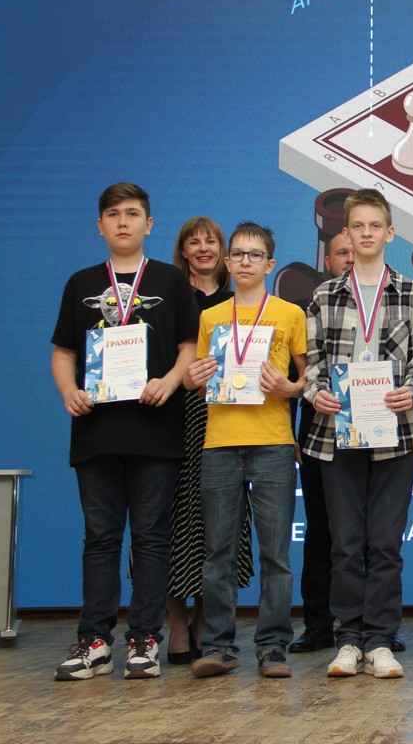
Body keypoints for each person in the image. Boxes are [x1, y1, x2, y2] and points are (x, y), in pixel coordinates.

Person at [51, 182, 198, 680]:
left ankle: (144, 640)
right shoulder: (81, 283)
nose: (122, 222)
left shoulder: (170, 281)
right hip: (96, 432)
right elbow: (64, 352)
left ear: (148, 224)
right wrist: (68, 390)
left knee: (152, 539)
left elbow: (189, 347)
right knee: (100, 538)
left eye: (132, 213)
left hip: (156, 430)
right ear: (100, 226)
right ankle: (94, 641)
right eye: (113, 214)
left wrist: (170, 381)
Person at [302, 190, 413, 679]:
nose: (367, 233)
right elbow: (312, 364)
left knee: (384, 542)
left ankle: (379, 640)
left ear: (390, 233)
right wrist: (316, 393)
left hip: (395, 433)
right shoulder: (324, 295)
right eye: (358, 226)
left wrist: (411, 392)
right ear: (347, 234)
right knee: (344, 542)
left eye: (375, 225)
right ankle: (348, 640)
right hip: (336, 432)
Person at [185, 222, 307, 679]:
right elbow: (202, 383)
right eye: (237, 254)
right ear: (227, 261)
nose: (245, 261)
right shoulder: (211, 317)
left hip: (273, 442)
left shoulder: (290, 313)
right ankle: (218, 645)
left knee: (275, 554)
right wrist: (195, 381)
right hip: (219, 442)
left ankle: (273, 646)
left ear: (270, 264)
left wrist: (288, 387)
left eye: (255, 255)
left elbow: (307, 379)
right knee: (217, 552)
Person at [164, 216, 255, 665]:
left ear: (224, 251)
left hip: (228, 421)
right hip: (174, 420)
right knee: (171, 519)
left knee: (219, 523)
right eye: (193, 241)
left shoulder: (239, 301)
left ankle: (207, 620)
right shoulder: (168, 296)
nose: (202, 248)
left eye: (211, 241)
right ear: (182, 250)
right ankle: (176, 623)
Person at [289, 230, 352, 655]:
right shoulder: (310, 307)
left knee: (369, 534)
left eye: (354, 251)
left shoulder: (390, 302)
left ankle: (374, 625)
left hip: (374, 433)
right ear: (326, 262)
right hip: (318, 432)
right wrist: (291, 433)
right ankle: (317, 624)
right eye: (340, 252)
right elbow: (298, 376)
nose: (349, 258)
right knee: (320, 529)